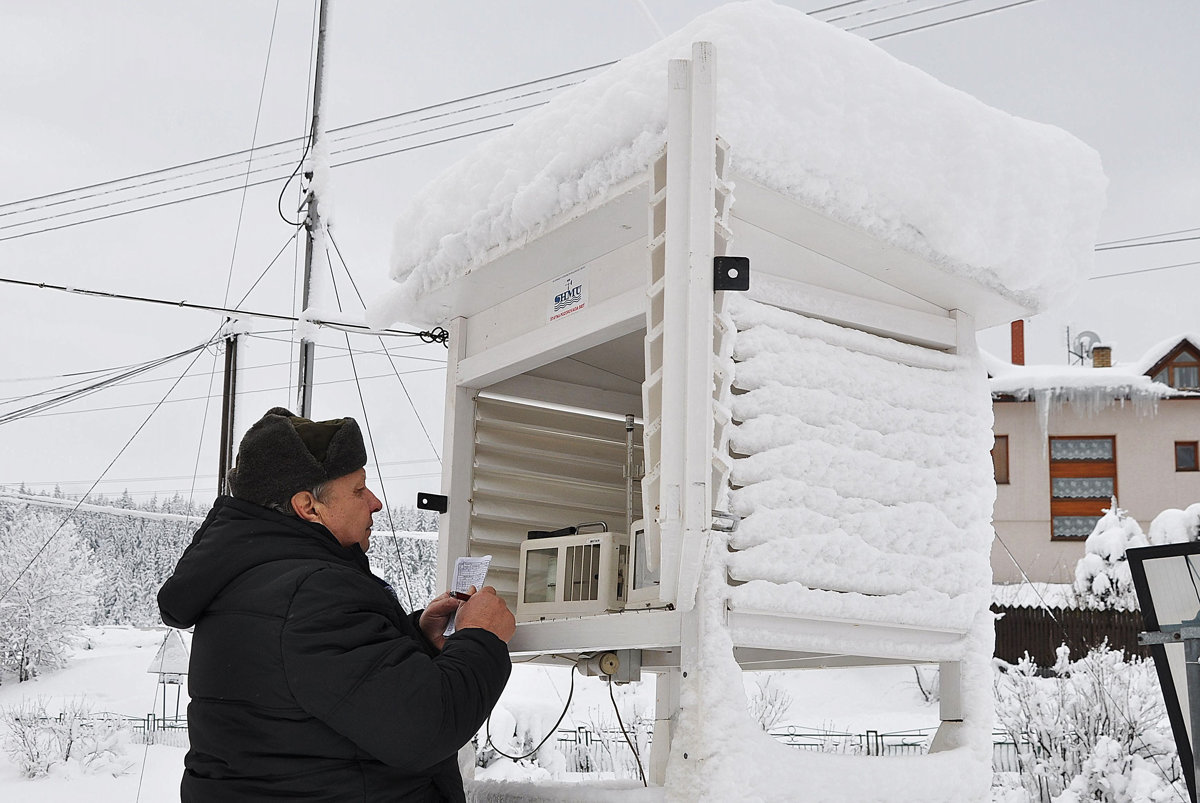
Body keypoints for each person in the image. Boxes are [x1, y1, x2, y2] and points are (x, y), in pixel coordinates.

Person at [158, 407, 514, 802]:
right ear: (308, 506)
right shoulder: (313, 593)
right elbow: (426, 727)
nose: (375, 503)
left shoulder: (255, 580)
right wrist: (480, 637)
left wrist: (417, 637)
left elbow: (327, 695)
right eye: (359, 490)